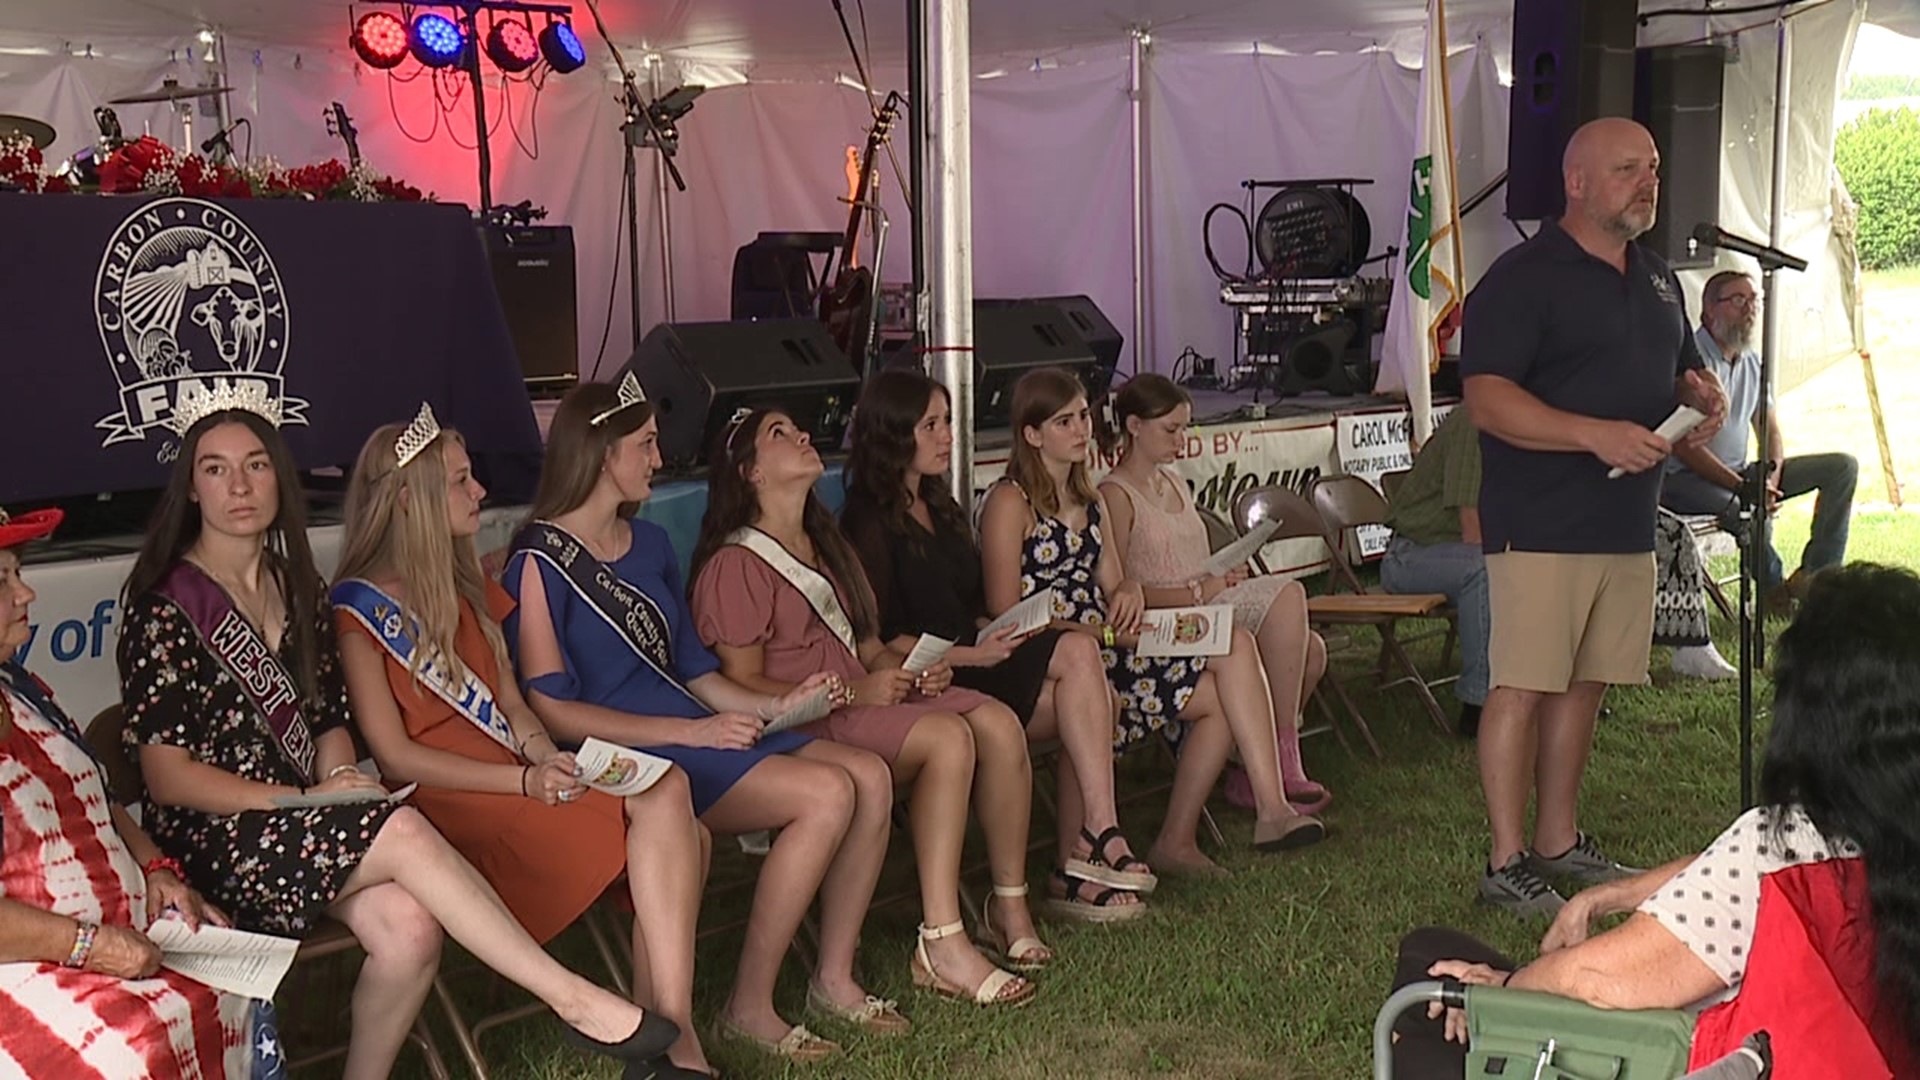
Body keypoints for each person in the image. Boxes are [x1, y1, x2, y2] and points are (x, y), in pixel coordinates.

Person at [118, 398, 678, 1080]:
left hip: (304, 826)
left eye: (256, 466)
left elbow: (327, 719)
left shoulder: (297, 588)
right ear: (192, 488)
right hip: (217, 838)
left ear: (278, 481)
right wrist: (302, 799)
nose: (238, 486)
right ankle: (575, 1000)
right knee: (403, 830)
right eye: (216, 469)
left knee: (409, 929)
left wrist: (338, 779)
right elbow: (167, 779)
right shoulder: (164, 607)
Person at [1387, 563, 1920, 1079]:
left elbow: (1602, 978)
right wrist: (1609, 895)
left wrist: (1499, 992)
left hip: (1710, 1059)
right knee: (1438, 986)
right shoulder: (1879, 831)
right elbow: (1732, 882)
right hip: (1846, 1055)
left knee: (1425, 986)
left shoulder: (1775, 844)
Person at [505, 378, 906, 1058]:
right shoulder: (538, 560)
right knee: (830, 792)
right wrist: (692, 731)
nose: (658, 460)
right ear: (603, 455)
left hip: (694, 730)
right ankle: (749, 1003)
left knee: (869, 775)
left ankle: (830, 977)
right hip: (628, 755)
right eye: (646, 445)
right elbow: (553, 707)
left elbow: (698, 676)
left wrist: (778, 707)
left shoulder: (652, 544)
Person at [1460, 116, 1727, 915]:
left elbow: (1677, 369)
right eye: (1626, 170)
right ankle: (1506, 861)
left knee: (1585, 687)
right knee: (1524, 685)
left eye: (1651, 168)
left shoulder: (1656, 278)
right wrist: (1590, 433)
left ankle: (1558, 840)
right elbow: (1488, 399)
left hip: (1626, 520)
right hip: (1541, 521)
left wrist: (1698, 396)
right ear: (1576, 182)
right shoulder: (1521, 277)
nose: (1647, 182)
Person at [690, 407, 1037, 1008]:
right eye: (780, 434)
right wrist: (859, 691)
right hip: (810, 721)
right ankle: (942, 937)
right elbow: (742, 686)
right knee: (949, 739)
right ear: (750, 472)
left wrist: (905, 674)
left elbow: (869, 646)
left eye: (796, 427)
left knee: (998, 724)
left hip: (860, 699)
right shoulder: (735, 564)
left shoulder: (825, 545)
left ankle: (1009, 905)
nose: (803, 433)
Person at [978, 368, 1325, 889]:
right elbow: (1007, 613)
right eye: (1065, 421)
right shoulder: (1011, 501)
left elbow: (1115, 583)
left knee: (1233, 648)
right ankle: (1192, 830)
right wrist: (1099, 630)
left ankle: (1249, 815)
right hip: (1060, 650)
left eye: (1084, 418)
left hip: (1118, 641)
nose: (1082, 431)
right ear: (1032, 435)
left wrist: (1127, 592)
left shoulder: (1089, 500)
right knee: (1218, 684)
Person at [842, 369, 1151, 925]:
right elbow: (880, 638)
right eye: (931, 425)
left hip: (979, 655)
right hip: (936, 674)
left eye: (947, 422)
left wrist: (997, 631)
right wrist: (971, 654)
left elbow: (974, 605)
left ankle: (1080, 857)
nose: (946, 437)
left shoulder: (939, 505)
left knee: (1089, 689)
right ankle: (1092, 844)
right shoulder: (867, 522)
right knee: (1089, 681)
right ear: (893, 434)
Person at [1, 506, 262, 1077]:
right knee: (134, 1047)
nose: (26, 594)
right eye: (3, 580)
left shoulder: (20, 688)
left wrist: (157, 869)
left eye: (19, 572)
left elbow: (97, 792)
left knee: (235, 987)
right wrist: (92, 947)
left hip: (116, 932)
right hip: (32, 958)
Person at [1383, 410, 1736, 738]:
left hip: (1478, 545)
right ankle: (1479, 705)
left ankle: (1566, 692)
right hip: (1417, 552)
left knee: (1565, 563)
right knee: (1488, 568)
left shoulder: (1538, 423)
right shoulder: (1476, 423)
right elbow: (1474, 531)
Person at [1094, 372, 1333, 817]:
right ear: (1133, 427)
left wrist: (1219, 573)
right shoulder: (1116, 495)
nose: (1180, 440)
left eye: (1185, 429)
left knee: (1311, 650)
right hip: (1166, 621)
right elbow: (1123, 592)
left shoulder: (1175, 484)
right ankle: (1282, 763)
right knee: (1288, 595)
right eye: (1170, 430)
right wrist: (1199, 589)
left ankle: (1252, 768)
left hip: (1202, 603)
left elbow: (1193, 563)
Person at [1662, 269, 1858, 610]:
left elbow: (1769, 428)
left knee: (1842, 467)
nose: (1750, 308)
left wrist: (1771, 476)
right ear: (1709, 310)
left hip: (1739, 475)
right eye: (1738, 300)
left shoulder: (1752, 360)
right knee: (1743, 507)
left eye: (1754, 300)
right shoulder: (1691, 362)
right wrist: (1743, 486)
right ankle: (1774, 592)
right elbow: (1684, 445)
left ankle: (1817, 577)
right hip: (1684, 479)